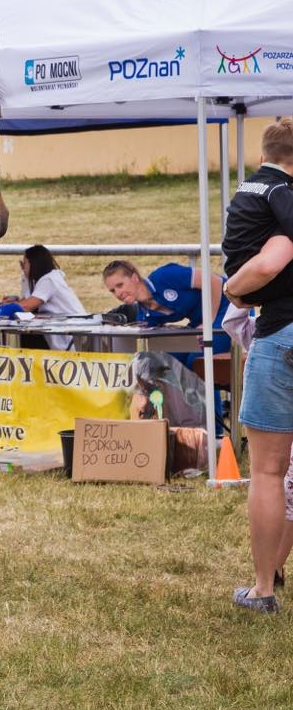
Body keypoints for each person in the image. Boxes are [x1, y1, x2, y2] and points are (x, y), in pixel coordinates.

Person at [216, 117, 293, 611]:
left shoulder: (248, 192)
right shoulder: (280, 195)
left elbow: (263, 267)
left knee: (268, 471)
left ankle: (264, 588)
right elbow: (273, 257)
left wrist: (230, 289)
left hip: (278, 334)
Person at [102, 258, 230, 365]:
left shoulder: (164, 276)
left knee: (197, 362)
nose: (118, 293)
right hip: (200, 321)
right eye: (113, 290)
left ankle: (210, 395)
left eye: (120, 285)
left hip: (229, 304)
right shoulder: (144, 314)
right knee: (171, 359)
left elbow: (214, 281)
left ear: (134, 278)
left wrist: (209, 323)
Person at [2, 244, 85, 350]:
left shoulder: (49, 279)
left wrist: (8, 306)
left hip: (71, 335)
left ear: (34, 263)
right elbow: (24, 301)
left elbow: (27, 306)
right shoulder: (41, 280)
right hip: (64, 331)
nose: (23, 267)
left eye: (25, 262)